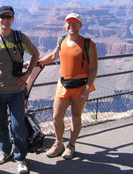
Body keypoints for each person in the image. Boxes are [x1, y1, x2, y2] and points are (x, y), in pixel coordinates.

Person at [0, 6, 40, 174]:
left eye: (9, 17)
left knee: (17, 126)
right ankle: (5, 151)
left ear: (13, 19)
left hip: (16, 91)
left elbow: (36, 54)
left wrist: (27, 74)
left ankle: (20, 158)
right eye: (2, 17)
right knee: (0, 125)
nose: (5, 20)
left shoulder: (20, 37)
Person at [38, 12, 98, 160]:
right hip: (63, 84)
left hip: (80, 86)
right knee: (57, 117)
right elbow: (53, 56)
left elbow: (93, 68)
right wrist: (37, 62)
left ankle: (71, 145)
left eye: (75, 23)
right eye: (69, 23)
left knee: (76, 117)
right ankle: (59, 144)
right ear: (65, 25)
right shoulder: (62, 40)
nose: (72, 26)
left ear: (80, 25)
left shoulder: (88, 44)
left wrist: (87, 88)